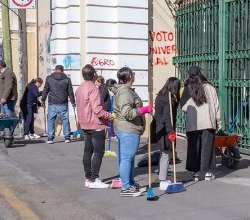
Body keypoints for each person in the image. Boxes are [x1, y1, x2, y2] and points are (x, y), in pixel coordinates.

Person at [112, 66, 151, 197]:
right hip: (128, 128)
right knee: (127, 158)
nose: (134, 76)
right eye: (133, 74)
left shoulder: (125, 91)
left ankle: (130, 183)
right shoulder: (125, 93)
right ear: (128, 77)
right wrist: (144, 110)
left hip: (128, 128)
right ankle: (126, 187)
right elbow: (127, 113)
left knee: (129, 158)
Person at [180, 67, 220, 182]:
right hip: (208, 122)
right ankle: (208, 172)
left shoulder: (188, 89)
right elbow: (216, 105)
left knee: (194, 148)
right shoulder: (210, 87)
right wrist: (218, 121)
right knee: (208, 148)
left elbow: (183, 107)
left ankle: (195, 173)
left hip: (193, 124)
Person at [76, 64, 113, 189]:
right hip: (95, 123)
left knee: (88, 151)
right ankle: (94, 178)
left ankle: (88, 178)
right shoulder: (93, 89)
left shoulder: (80, 88)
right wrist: (109, 115)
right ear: (94, 75)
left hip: (84, 123)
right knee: (98, 151)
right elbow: (97, 109)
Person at [153, 76, 181, 190]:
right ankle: (163, 180)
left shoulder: (160, 96)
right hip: (165, 129)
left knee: (163, 153)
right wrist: (170, 132)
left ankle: (162, 176)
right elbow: (166, 118)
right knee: (166, 153)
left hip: (159, 128)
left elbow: (158, 115)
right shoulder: (169, 100)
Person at [41, 64, 75, 143]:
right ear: (62, 71)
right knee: (65, 120)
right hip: (63, 102)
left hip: (52, 102)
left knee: (51, 120)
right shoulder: (67, 79)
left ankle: (50, 138)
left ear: (55, 70)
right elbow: (70, 91)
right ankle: (67, 137)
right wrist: (73, 102)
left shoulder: (49, 78)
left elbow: (46, 89)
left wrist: (43, 99)